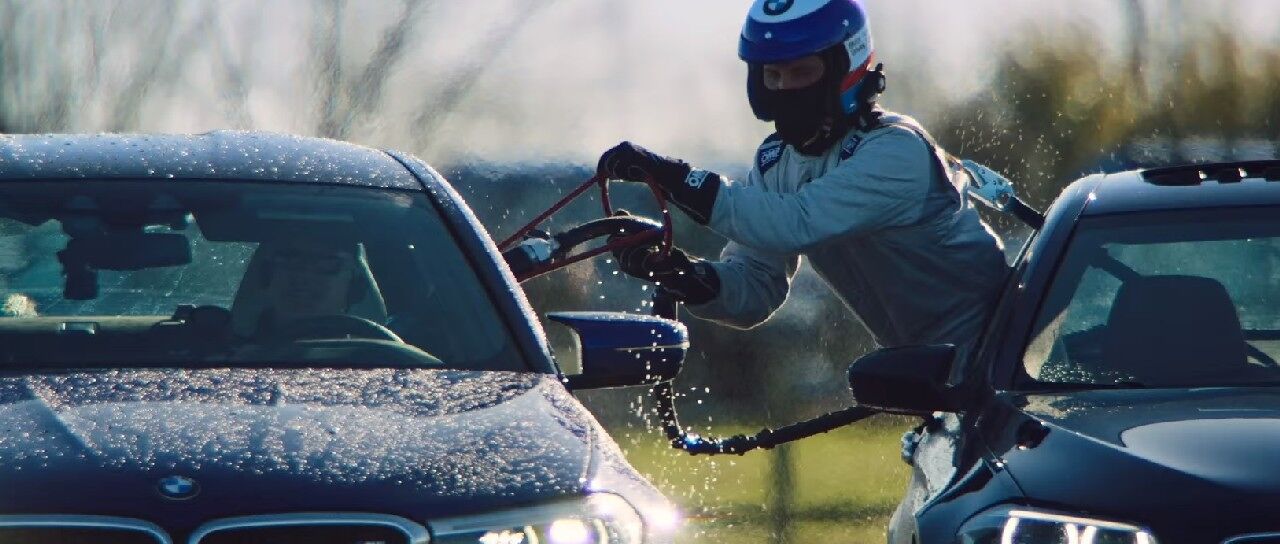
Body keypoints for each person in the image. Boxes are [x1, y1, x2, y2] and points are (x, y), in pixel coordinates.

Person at [597, 0, 1010, 356]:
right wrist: (681, 274)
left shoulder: (895, 151)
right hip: (933, 379)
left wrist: (672, 176)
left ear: (844, 66)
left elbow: (794, 222)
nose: (782, 88)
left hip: (1005, 360)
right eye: (772, 76)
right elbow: (756, 287)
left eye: (800, 73)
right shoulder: (776, 162)